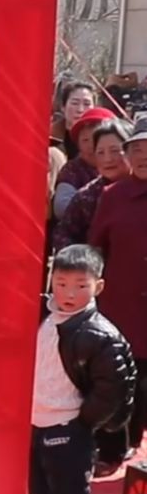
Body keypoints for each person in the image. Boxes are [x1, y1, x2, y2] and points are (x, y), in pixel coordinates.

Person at [20, 245, 136, 494]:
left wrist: (81, 423)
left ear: (99, 287)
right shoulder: (42, 315)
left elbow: (116, 388)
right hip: (37, 423)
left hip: (68, 428)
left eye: (81, 286)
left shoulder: (100, 335)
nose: (70, 294)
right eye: (62, 283)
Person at [89, 115, 147, 474]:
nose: (142, 155)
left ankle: (133, 440)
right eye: (136, 149)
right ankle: (110, 451)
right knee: (117, 380)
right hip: (119, 306)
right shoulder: (113, 197)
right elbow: (96, 248)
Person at [51, 107, 115, 221]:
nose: (91, 146)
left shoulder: (129, 167)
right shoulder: (73, 169)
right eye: (85, 140)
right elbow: (61, 208)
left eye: (96, 139)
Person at [51, 80, 98, 160]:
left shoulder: (100, 138)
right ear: (63, 107)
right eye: (75, 103)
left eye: (87, 104)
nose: (80, 110)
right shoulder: (50, 136)